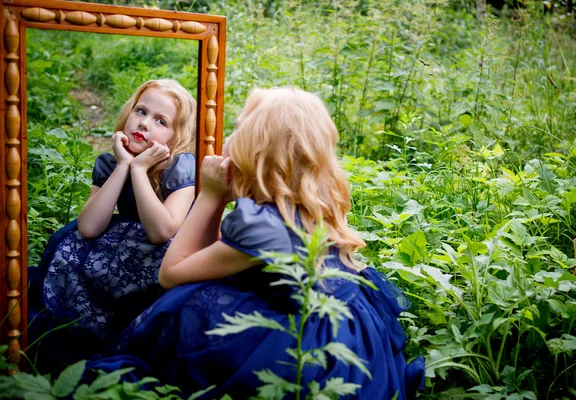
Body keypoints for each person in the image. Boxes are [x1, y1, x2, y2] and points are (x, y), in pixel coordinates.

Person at [88, 87, 424, 399]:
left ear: (259, 149)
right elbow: (211, 259)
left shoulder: (263, 224)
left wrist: (212, 196)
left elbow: (172, 274)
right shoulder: (299, 206)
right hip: (352, 331)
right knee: (205, 289)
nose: (228, 138)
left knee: (187, 303)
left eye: (237, 130)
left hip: (316, 350)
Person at [28, 79, 197, 374]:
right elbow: (90, 227)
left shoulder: (180, 166)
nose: (144, 124)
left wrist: (141, 169)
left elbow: (162, 232)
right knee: (72, 245)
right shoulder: (111, 163)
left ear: (176, 136)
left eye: (160, 121)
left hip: (164, 255)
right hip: (126, 250)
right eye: (141, 111)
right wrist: (123, 166)